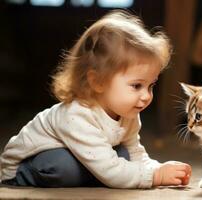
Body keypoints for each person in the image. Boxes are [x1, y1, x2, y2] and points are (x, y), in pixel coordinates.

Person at [0, 10, 191, 188]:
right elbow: (110, 167)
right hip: (32, 163)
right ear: (98, 81)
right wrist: (154, 177)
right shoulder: (77, 115)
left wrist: (158, 168)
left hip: (89, 155)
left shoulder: (128, 111)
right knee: (63, 167)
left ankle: (105, 173)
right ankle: (22, 177)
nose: (146, 95)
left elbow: (135, 152)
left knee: (123, 154)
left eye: (151, 86)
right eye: (136, 86)